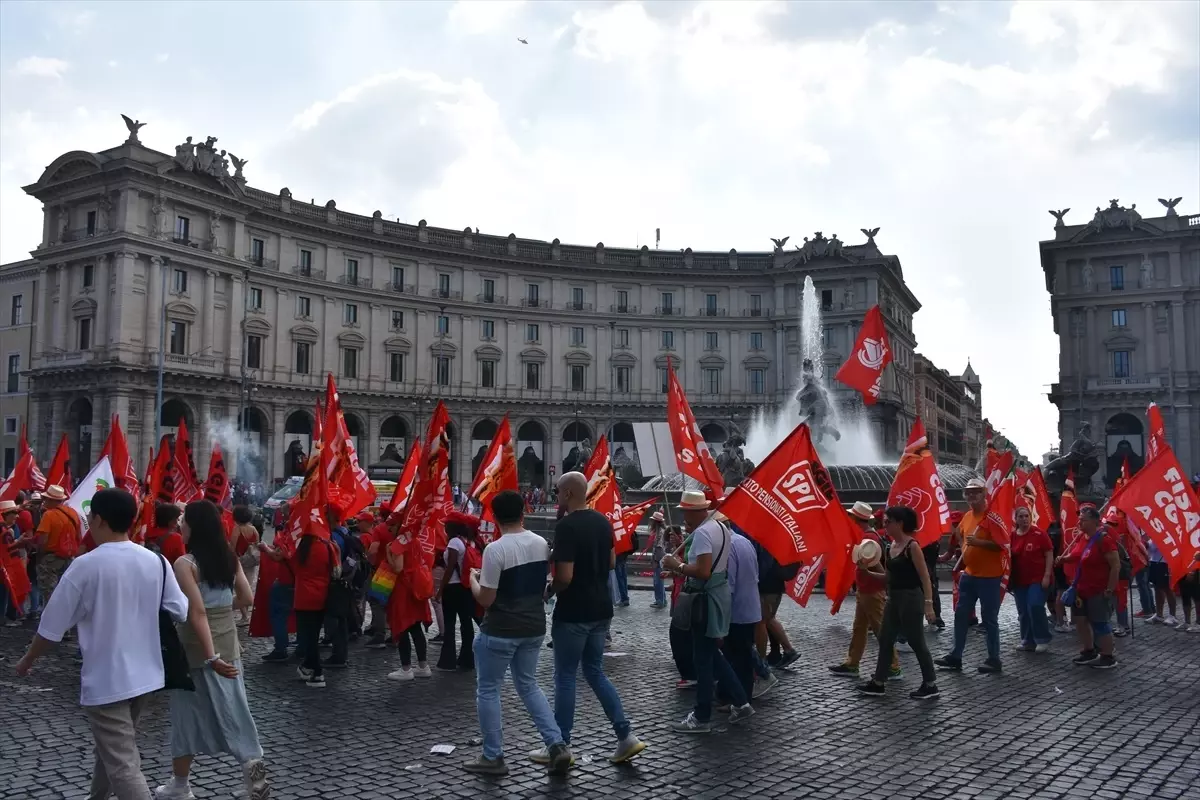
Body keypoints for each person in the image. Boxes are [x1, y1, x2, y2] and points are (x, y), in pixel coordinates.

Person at [15, 488, 189, 799]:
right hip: (148, 674)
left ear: (98, 519)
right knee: (112, 747)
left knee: (122, 761)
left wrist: (27, 660)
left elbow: (51, 628)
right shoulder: (156, 561)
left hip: (108, 679)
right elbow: (180, 609)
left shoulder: (85, 566)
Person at [156, 500, 268, 800]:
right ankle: (183, 783)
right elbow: (246, 598)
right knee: (232, 710)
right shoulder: (229, 558)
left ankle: (182, 785)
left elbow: (197, 613)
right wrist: (222, 609)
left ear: (194, 526)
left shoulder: (186, 563)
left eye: (185, 520)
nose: (181, 525)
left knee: (188, 715)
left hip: (198, 649)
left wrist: (211, 656)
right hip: (227, 642)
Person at [463, 490, 572, 776]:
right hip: (534, 626)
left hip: (500, 629)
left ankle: (493, 756)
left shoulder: (495, 550)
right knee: (529, 685)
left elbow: (486, 599)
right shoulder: (540, 544)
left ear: (495, 517)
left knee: (488, 689)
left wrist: (472, 580)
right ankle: (557, 744)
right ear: (524, 512)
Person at [539, 472, 645, 767]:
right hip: (601, 610)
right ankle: (626, 737)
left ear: (569, 494)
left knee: (565, 676)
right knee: (596, 672)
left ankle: (560, 746)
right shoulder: (602, 521)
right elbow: (611, 562)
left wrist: (548, 591)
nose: (556, 496)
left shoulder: (567, 527)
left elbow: (565, 576)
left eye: (558, 491)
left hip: (574, 612)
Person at [661, 491, 754, 733]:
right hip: (717, 596)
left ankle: (702, 717)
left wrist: (677, 566)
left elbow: (703, 571)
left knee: (703, 660)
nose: (683, 515)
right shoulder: (720, 528)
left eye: (685, 511)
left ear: (696, 511)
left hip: (703, 599)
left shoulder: (702, 533)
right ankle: (741, 701)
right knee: (712, 654)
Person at [856, 506, 940, 700]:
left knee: (916, 640)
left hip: (911, 598)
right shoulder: (890, 547)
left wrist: (928, 604)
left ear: (899, 523)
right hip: (894, 598)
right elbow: (888, 577)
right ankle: (878, 682)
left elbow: (925, 577)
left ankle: (930, 683)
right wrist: (867, 572)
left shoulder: (912, 546)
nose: (884, 526)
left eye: (888, 522)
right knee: (885, 638)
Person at [936, 477, 1004, 674]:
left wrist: (980, 543)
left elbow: (1003, 545)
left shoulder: (992, 517)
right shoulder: (967, 517)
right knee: (960, 615)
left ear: (984, 494)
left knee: (989, 618)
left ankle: (994, 659)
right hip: (969, 575)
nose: (971, 495)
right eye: (968, 492)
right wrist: (950, 556)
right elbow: (960, 540)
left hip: (990, 577)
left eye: (976, 491)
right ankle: (955, 656)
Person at [830, 502, 901, 680]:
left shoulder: (868, 538)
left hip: (872, 591)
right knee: (859, 628)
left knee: (881, 630)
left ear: (856, 519)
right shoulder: (868, 535)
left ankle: (893, 666)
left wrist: (876, 574)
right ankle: (852, 663)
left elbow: (876, 564)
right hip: (865, 590)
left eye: (851, 516)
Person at [1061, 505, 1120, 668]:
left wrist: (1110, 589)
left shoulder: (1104, 540)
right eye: (1079, 519)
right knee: (1081, 621)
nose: (1079, 522)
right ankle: (1089, 650)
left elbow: (1115, 565)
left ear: (1094, 521)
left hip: (1098, 589)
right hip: (1081, 588)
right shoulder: (1081, 537)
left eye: (1083, 520)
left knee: (1100, 623)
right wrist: (1064, 559)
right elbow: (1076, 555)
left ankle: (1108, 656)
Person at [718, 515, 765, 708]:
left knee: (735, 658)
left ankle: (737, 699)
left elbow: (729, 585)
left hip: (737, 612)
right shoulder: (744, 541)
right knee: (744, 657)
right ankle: (743, 696)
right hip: (750, 609)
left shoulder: (727, 547)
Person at [292, 528, 339, 688]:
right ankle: (307, 666)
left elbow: (295, 569)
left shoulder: (301, 548)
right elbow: (336, 571)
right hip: (322, 595)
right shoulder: (327, 546)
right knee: (313, 634)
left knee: (308, 637)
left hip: (304, 596)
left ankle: (317, 673)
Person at [385, 525, 433, 681]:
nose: (388, 529)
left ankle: (406, 669)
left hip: (404, 589)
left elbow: (398, 568)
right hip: (417, 588)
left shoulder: (398, 543)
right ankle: (423, 666)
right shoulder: (415, 539)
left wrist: (388, 552)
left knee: (403, 627)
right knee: (415, 626)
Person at [436, 511, 482, 672]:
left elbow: (449, 569)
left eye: (446, 524)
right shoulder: (467, 541)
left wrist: (440, 589)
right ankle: (467, 659)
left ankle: (447, 661)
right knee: (466, 623)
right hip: (465, 587)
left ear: (451, 527)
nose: (444, 527)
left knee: (450, 624)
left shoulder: (454, 542)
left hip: (453, 587)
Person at [1010, 506, 1054, 653]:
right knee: (1023, 610)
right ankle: (1027, 640)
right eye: (1020, 517)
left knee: (1035, 606)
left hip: (1038, 578)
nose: (1024, 519)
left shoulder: (1039, 534)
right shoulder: (1012, 536)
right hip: (1019, 580)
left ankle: (1042, 639)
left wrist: (1047, 575)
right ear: (1015, 519)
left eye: (1026, 516)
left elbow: (1049, 554)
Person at [31, 484, 82, 610]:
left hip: (51, 559)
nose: (44, 501)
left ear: (53, 500)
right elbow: (78, 535)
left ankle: (52, 625)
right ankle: (66, 623)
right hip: (69, 558)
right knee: (65, 593)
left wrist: (39, 555)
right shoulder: (73, 513)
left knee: (50, 594)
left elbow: (43, 540)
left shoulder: (49, 515)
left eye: (46, 499)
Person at [229, 505, 260, 626]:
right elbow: (257, 544)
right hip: (251, 562)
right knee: (248, 586)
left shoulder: (237, 530)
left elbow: (233, 547)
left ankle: (244, 616)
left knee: (239, 589)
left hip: (239, 562)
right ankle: (245, 615)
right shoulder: (253, 529)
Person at [1143, 537, 1180, 628]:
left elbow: (1155, 547)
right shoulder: (1153, 535)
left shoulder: (1165, 534)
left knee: (1168, 589)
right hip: (1154, 562)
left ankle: (1172, 615)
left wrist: (1148, 544)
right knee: (1157, 588)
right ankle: (1159, 614)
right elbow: (1150, 549)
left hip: (1165, 563)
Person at [648, 512, 668, 608]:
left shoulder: (660, 532)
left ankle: (660, 600)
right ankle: (662, 600)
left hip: (659, 559)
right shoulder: (661, 531)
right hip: (660, 558)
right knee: (659, 580)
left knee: (658, 581)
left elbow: (659, 548)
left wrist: (655, 560)